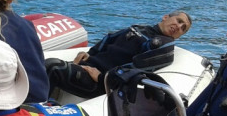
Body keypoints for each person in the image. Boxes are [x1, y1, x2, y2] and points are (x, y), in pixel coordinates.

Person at [46, 10, 192, 99]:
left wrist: (103, 77)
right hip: (88, 66)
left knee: (52, 66)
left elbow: (137, 69)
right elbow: (109, 39)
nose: (179, 26)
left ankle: (30, 115)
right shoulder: (140, 28)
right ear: (165, 17)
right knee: (41, 63)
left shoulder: (163, 45)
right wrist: (89, 54)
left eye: (183, 28)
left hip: (98, 83)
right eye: (179, 21)